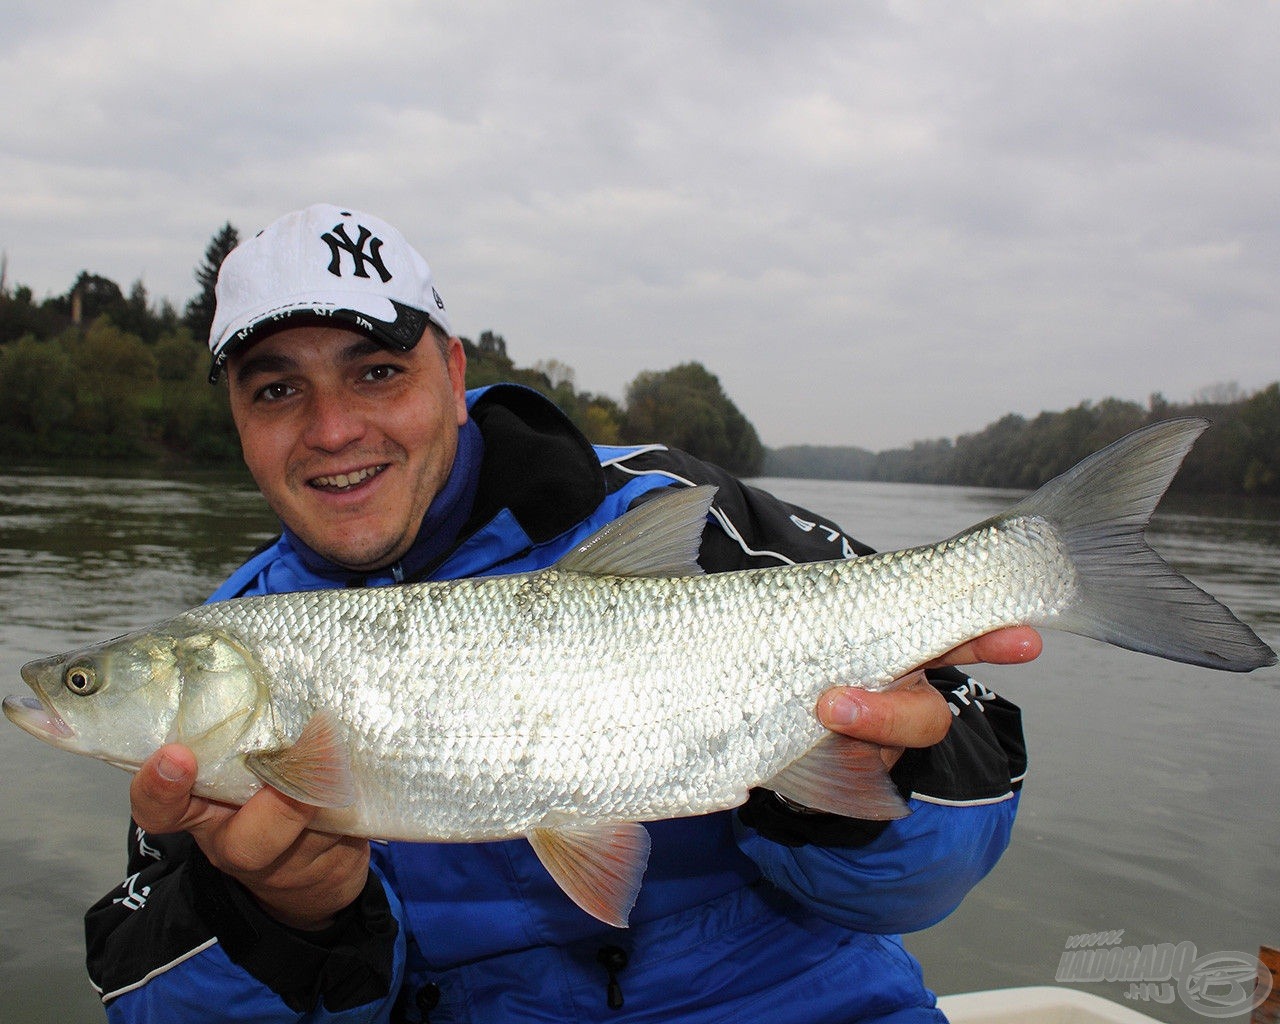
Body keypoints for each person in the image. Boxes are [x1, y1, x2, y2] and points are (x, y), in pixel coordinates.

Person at [85, 204, 1034, 1023]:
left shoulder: (678, 513)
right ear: (240, 425)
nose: (333, 429)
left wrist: (861, 788)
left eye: (376, 371)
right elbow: (150, 998)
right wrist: (279, 917)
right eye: (277, 388)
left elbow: (938, 870)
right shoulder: (226, 651)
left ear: (453, 377)